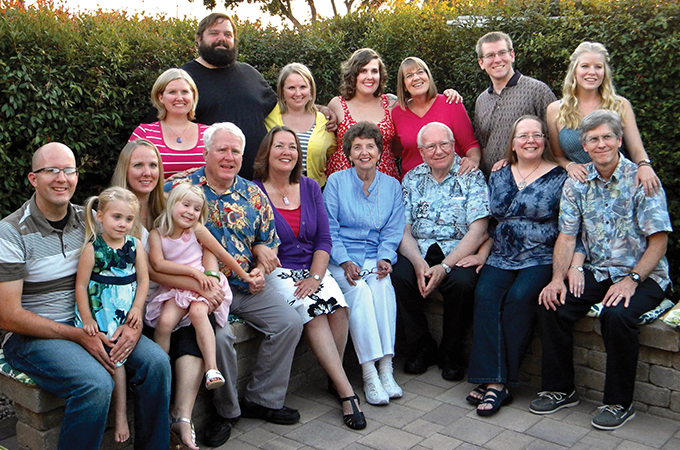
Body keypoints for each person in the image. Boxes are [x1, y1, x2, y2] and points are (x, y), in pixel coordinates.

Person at [0, 143, 171, 450]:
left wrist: (133, 320)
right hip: (35, 335)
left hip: (98, 321)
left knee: (156, 363)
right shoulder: (10, 233)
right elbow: (7, 315)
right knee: (94, 383)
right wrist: (78, 335)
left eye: (68, 170)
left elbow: (135, 262)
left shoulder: (91, 220)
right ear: (32, 179)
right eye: (50, 170)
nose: (61, 178)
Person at [167, 122, 304, 446]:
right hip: (202, 291)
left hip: (246, 286)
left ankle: (262, 399)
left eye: (235, 152)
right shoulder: (183, 190)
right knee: (222, 339)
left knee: (289, 323)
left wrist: (260, 266)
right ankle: (226, 411)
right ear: (206, 152)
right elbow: (160, 234)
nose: (229, 157)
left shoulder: (253, 193)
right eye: (222, 150)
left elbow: (270, 243)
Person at [533, 110, 671, 430]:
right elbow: (567, 237)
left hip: (644, 273)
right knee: (552, 304)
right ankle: (560, 389)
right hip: (598, 270)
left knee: (617, 314)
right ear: (584, 145)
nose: (601, 144)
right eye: (593, 139)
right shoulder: (577, 183)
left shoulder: (640, 178)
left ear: (619, 140)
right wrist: (558, 278)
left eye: (607, 136)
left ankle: (618, 403)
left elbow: (659, 241)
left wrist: (632, 280)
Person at [112, 138, 225, 450]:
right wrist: (197, 281)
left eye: (153, 165)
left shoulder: (169, 204)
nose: (147, 172)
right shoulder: (117, 212)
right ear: (125, 169)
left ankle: (183, 417)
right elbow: (151, 272)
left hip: (175, 295)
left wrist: (212, 277)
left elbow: (204, 242)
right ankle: (164, 428)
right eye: (138, 165)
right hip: (137, 304)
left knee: (198, 326)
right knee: (165, 340)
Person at [253, 126, 365, 429]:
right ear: (267, 152)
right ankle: (346, 394)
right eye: (279, 146)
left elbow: (324, 239)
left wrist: (317, 276)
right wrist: (259, 246)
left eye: (292, 146)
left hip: (313, 267)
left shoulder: (311, 187)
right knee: (314, 313)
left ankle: (334, 376)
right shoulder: (253, 191)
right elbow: (252, 239)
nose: (287, 151)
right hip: (280, 270)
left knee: (339, 310)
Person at [465, 116, 567, 416]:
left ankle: (498, 384)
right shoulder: (498, 173)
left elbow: (569, 227)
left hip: (541, 256)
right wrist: (483, 255)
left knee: (520, 299)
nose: (530, 141)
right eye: (523, 136)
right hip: (501, 254)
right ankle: (493, 378)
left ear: (545, 141)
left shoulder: (560, 176)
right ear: (512, 142)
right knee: (484, 295)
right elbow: (492, 222)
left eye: (536, 135)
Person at [392, 122, 489, 382]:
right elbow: (404, 228)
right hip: (420, 248)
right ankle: (422, 345)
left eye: (444, 144)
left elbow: (478, 230)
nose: (438, 151)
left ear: (453, 145)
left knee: (463, 283)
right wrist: (416, 262)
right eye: (430, 146)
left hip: (458, 250)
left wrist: (445, 266)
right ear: (421, 152)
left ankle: (451, 352)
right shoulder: (412, 178)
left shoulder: (471, 175)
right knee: (397, 276)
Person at [146, 183, 261, 392]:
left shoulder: (196, 230)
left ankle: (211, 368)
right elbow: (158, 264)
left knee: (199, 312)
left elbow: (222, 253)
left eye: (197, 209)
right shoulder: (157, 234)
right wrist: (193, 273)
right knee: (164, 323)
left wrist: (245, 276)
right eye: (186, 205)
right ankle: (161, 372)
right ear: (172, 204)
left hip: (205, 284)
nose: (191, 212)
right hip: (180, 285)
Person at [323, 121, 405, 405]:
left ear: (380, 151)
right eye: (357, 147)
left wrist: (385, 257)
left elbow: (393, 230)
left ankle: (387, 369)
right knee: (360, 293)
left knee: (383, 289)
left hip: (374, 256)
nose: (364, 152)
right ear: (349, 153)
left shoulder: (392, 186)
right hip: (342, 258)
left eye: (370, 146)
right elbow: (329, 229)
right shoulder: (336, 182)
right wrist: (344, 261)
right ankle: (369, 373)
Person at [74, 186, 149, 444]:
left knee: (129, 356)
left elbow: (144, 280)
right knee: (115, 359)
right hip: (101, 311)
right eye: (116, 217)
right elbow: (81, 286)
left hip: (126, 310)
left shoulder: (135, 245)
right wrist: (87, 318)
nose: (123, 224)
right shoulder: (92, 249)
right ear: (99, 216)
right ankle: (120, 416)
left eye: (129, 219)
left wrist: (138, 308)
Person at [545, 41, 660, 196]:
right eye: (585, 66)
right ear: (574, 71)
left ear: (605, 72)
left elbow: (636, 149)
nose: (592, 72)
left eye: (598, 67)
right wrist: (569, 165)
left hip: (618, 186)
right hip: (580, 188)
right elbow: (555, 156)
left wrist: (645, 166)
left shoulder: (620, 105)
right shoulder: (555, 110)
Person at [179, 13, 277, 181]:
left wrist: (319, 109)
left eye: (227, 34)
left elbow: (282, 109)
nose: (221, 39)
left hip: (260, 185)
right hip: (207, 188)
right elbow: (164, 126)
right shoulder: (183, 79)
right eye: (214, 33)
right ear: (199, 39)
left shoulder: (250, 74)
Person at [474, 31, 557, 175]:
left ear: (512, 55)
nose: (497, 59)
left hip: (533, 180)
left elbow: (555, 140)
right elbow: (483, 145)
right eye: (490, 55)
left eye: (502, 53)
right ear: (481, 63)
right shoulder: (482, 100)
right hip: (493, 184)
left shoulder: (538, 91)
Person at [392, 56, 481, 178]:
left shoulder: (450, 103)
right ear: (403, 85)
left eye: (420, 72)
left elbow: (470, 144)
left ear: (428, 76)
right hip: (413, 187)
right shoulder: (398, 113)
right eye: (409, 76)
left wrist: (473, 159)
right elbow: (396, 151)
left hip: (451, 182)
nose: (416, 78)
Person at [325, 48, 400, 179]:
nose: (369, 77)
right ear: (353, 74)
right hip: (343, 183)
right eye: (363, 71)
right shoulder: (337, 104)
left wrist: (447, 95)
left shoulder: (391, 103)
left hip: (383, 182)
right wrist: (320, 108)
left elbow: (417, 108)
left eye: (374, 71)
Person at [264, 63, 336, 187]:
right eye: (291, 88)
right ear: (282, 91)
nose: (298, 93)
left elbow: (332, 152)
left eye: (303, 87)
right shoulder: (268, 116)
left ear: (311, 90)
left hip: (315, 192)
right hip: (274, 191)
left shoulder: (324, 121)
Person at [130, 68, 209, 178]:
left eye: (185, 92)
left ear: (193, 96)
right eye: (172, 92)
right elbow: (130, 176)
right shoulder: (144, 134)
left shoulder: (210, 134)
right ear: (161, 97)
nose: (179, 98)